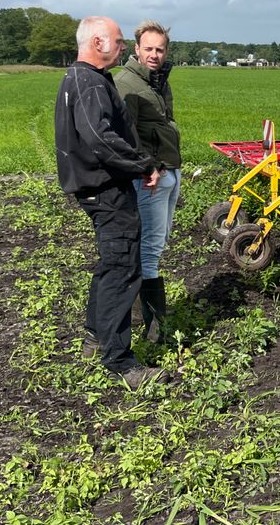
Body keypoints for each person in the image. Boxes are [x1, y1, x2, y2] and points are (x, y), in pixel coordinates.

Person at [54, 16, 161, 388]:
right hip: (106, 190)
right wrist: (143, 164)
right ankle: (120, 361)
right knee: (122, 269)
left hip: (97, 188)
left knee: (110, 263)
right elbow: (100, 139)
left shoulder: (83, 78)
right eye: (117, 41)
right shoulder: (89, 83)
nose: (120, 47)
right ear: (98, 42)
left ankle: (94, 336)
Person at [115, 20, 180, 344]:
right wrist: (149, 168)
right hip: (151, 176)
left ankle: (144, 317)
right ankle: (156, 330)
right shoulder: (127, 83)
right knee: (150, 248)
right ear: (137, 49)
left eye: (160, 49)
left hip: (167, 171)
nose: (155, 54)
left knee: (158, 241)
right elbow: (127, 135)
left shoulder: (157, 81)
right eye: (149, 48)